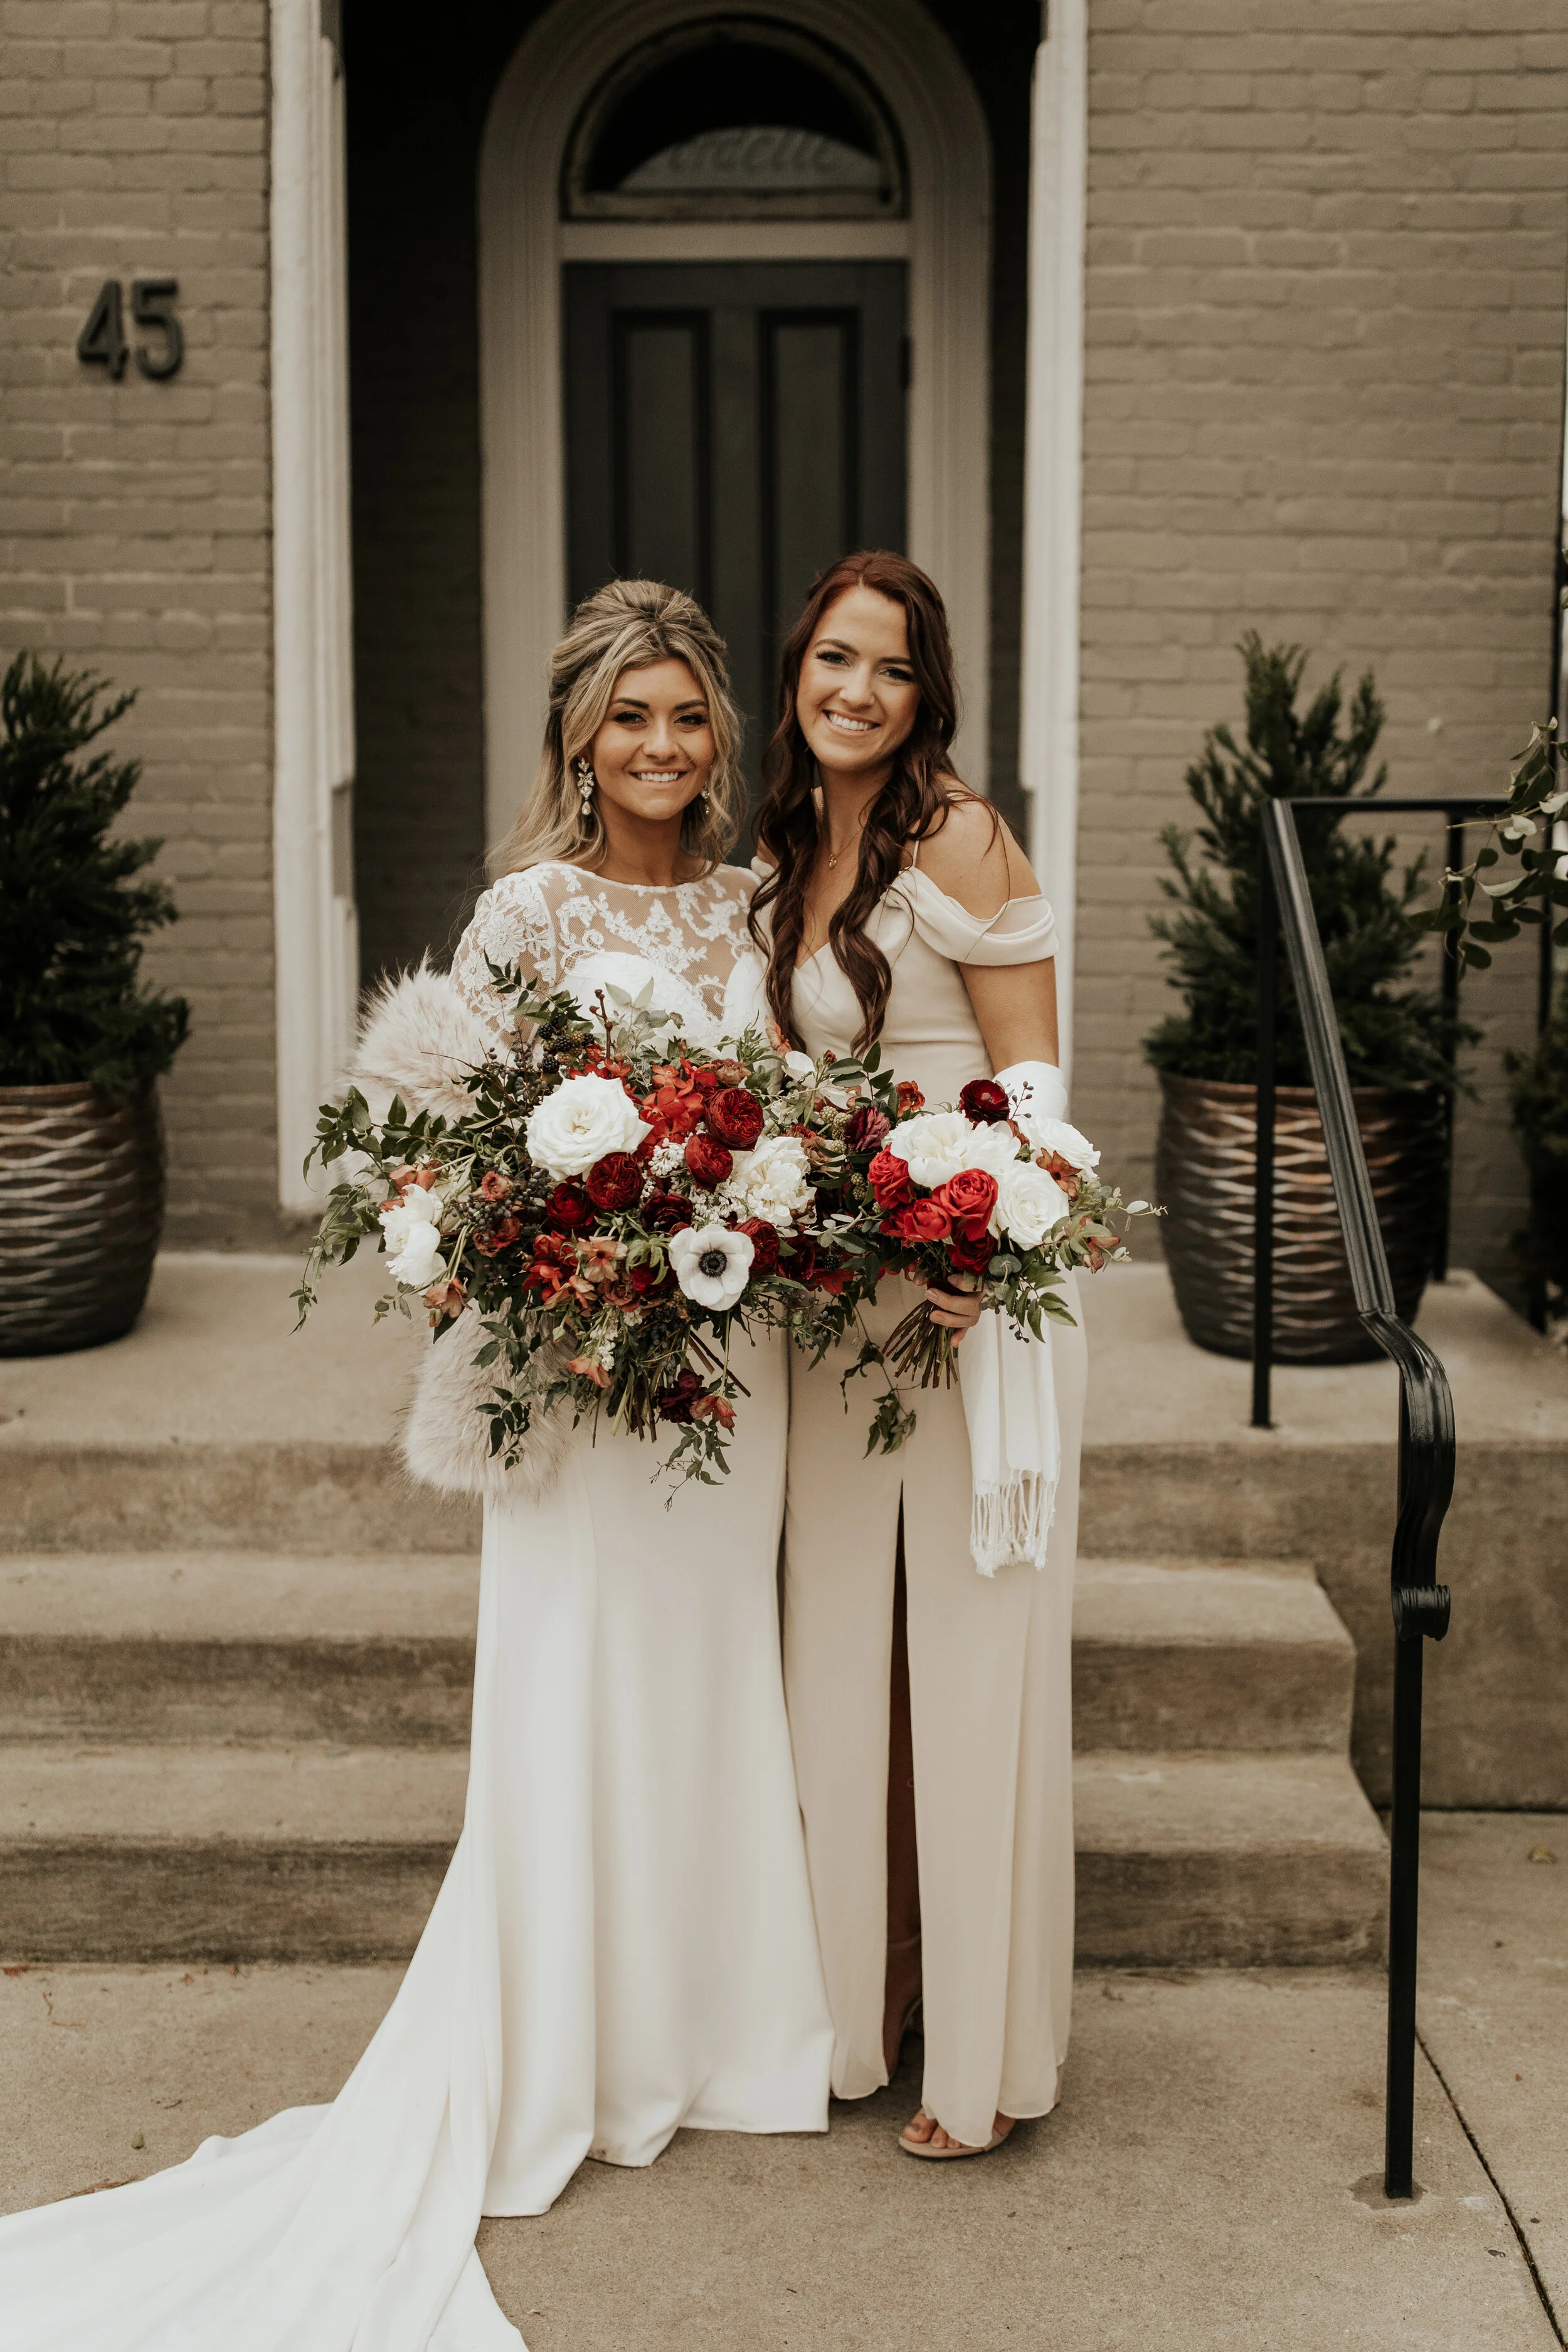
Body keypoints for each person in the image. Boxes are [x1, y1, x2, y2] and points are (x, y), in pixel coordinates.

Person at [0, 580, 832, 2349]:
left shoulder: (756, 903)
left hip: (723, 1355)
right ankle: (557, 2047)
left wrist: (749, 1206)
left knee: (705, 1677)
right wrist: (540, 1242)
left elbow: (789, 1112)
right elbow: (435, 1152)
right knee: (573, 1680)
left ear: (719, 737)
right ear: (579, 734)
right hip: (576, 1362)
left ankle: (709, 2033)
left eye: (689, 717)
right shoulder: (521, 910)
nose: (665, 748)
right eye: (633, 718)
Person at [750, 550, 1086, 2161]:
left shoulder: (956, 830)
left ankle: (982, 2051)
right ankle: (859, 1998)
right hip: (829, 1309)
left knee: (960, 1663)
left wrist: (986, 1252)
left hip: (960, 1297)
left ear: (922, 688)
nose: (852, 693)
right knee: (840, 1658)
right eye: (829, 659)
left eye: (883, 668)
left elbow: (1034, 1095)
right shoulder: (787, 842)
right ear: (797, 671)